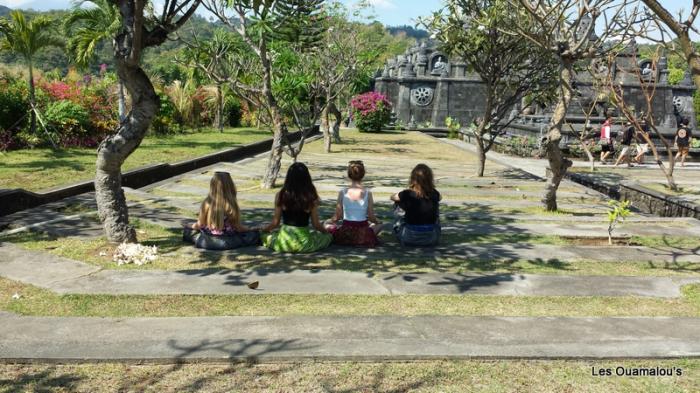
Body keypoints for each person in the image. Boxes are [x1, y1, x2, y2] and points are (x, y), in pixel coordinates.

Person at [262, 162, 332, 253]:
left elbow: (275, 223)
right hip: (304, 244)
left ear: (288, 178)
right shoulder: (311, 197)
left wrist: (263, 230)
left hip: (283, 243)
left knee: (264, 235)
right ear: (307, 178)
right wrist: (327, 232)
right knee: (327, 237)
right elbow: (316, 225)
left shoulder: (280, 195)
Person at [183, 172, 261, 250]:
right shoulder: (232, 204)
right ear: (230, 186)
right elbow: (238, 228)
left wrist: (189, 226)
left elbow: (199, 225)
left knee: (189, 232)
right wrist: (251, 229)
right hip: (228, 242)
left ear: (212, 185)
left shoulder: (207, 203)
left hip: (206, 241)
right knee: (252, 235)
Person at [325, 161, 381, 247]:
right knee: (379, 225)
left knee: (326, 224)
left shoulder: (343, 192)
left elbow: (337, 217)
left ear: (349, 175)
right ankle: (362, 240)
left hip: (346, 233)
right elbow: (371, 217)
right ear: (363, 175)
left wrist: (329, 221)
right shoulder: (367, 193)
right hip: (363, 233)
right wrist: (377, 221)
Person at [390, 164, 441, 247]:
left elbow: (393, 197)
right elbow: (440, 198)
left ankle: (397, 227)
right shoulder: (434, 193)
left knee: (398, 203)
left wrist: (400, 197)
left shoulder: (407, 194)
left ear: (413, 179)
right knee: (436, 206)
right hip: (431, 238)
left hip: (408, 237)